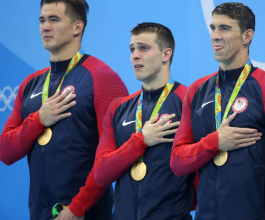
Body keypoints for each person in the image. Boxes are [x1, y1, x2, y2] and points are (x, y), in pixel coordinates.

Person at [170, 2, 265, 219]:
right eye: (213, 28)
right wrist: (214, 143)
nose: (215, 35)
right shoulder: (196, 91)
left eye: (225, 28)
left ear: (247, 36)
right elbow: (177, 161)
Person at [0, 0, 128, 219]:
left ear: (77, 27)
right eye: (42, 20)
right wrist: (38, 119)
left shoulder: (103, 78)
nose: (45, 26)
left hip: (86, 214)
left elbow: (116, 157)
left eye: (54, 19)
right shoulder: (30, 83)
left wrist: (77, 208)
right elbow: (6, 152)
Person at [93, 22, 195, 220]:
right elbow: (101, 174)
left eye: (144, 48)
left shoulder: (189, 101)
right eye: (132, 49)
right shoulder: (118, 108)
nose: (135, 55)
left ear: (166, 54)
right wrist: (141, 141)